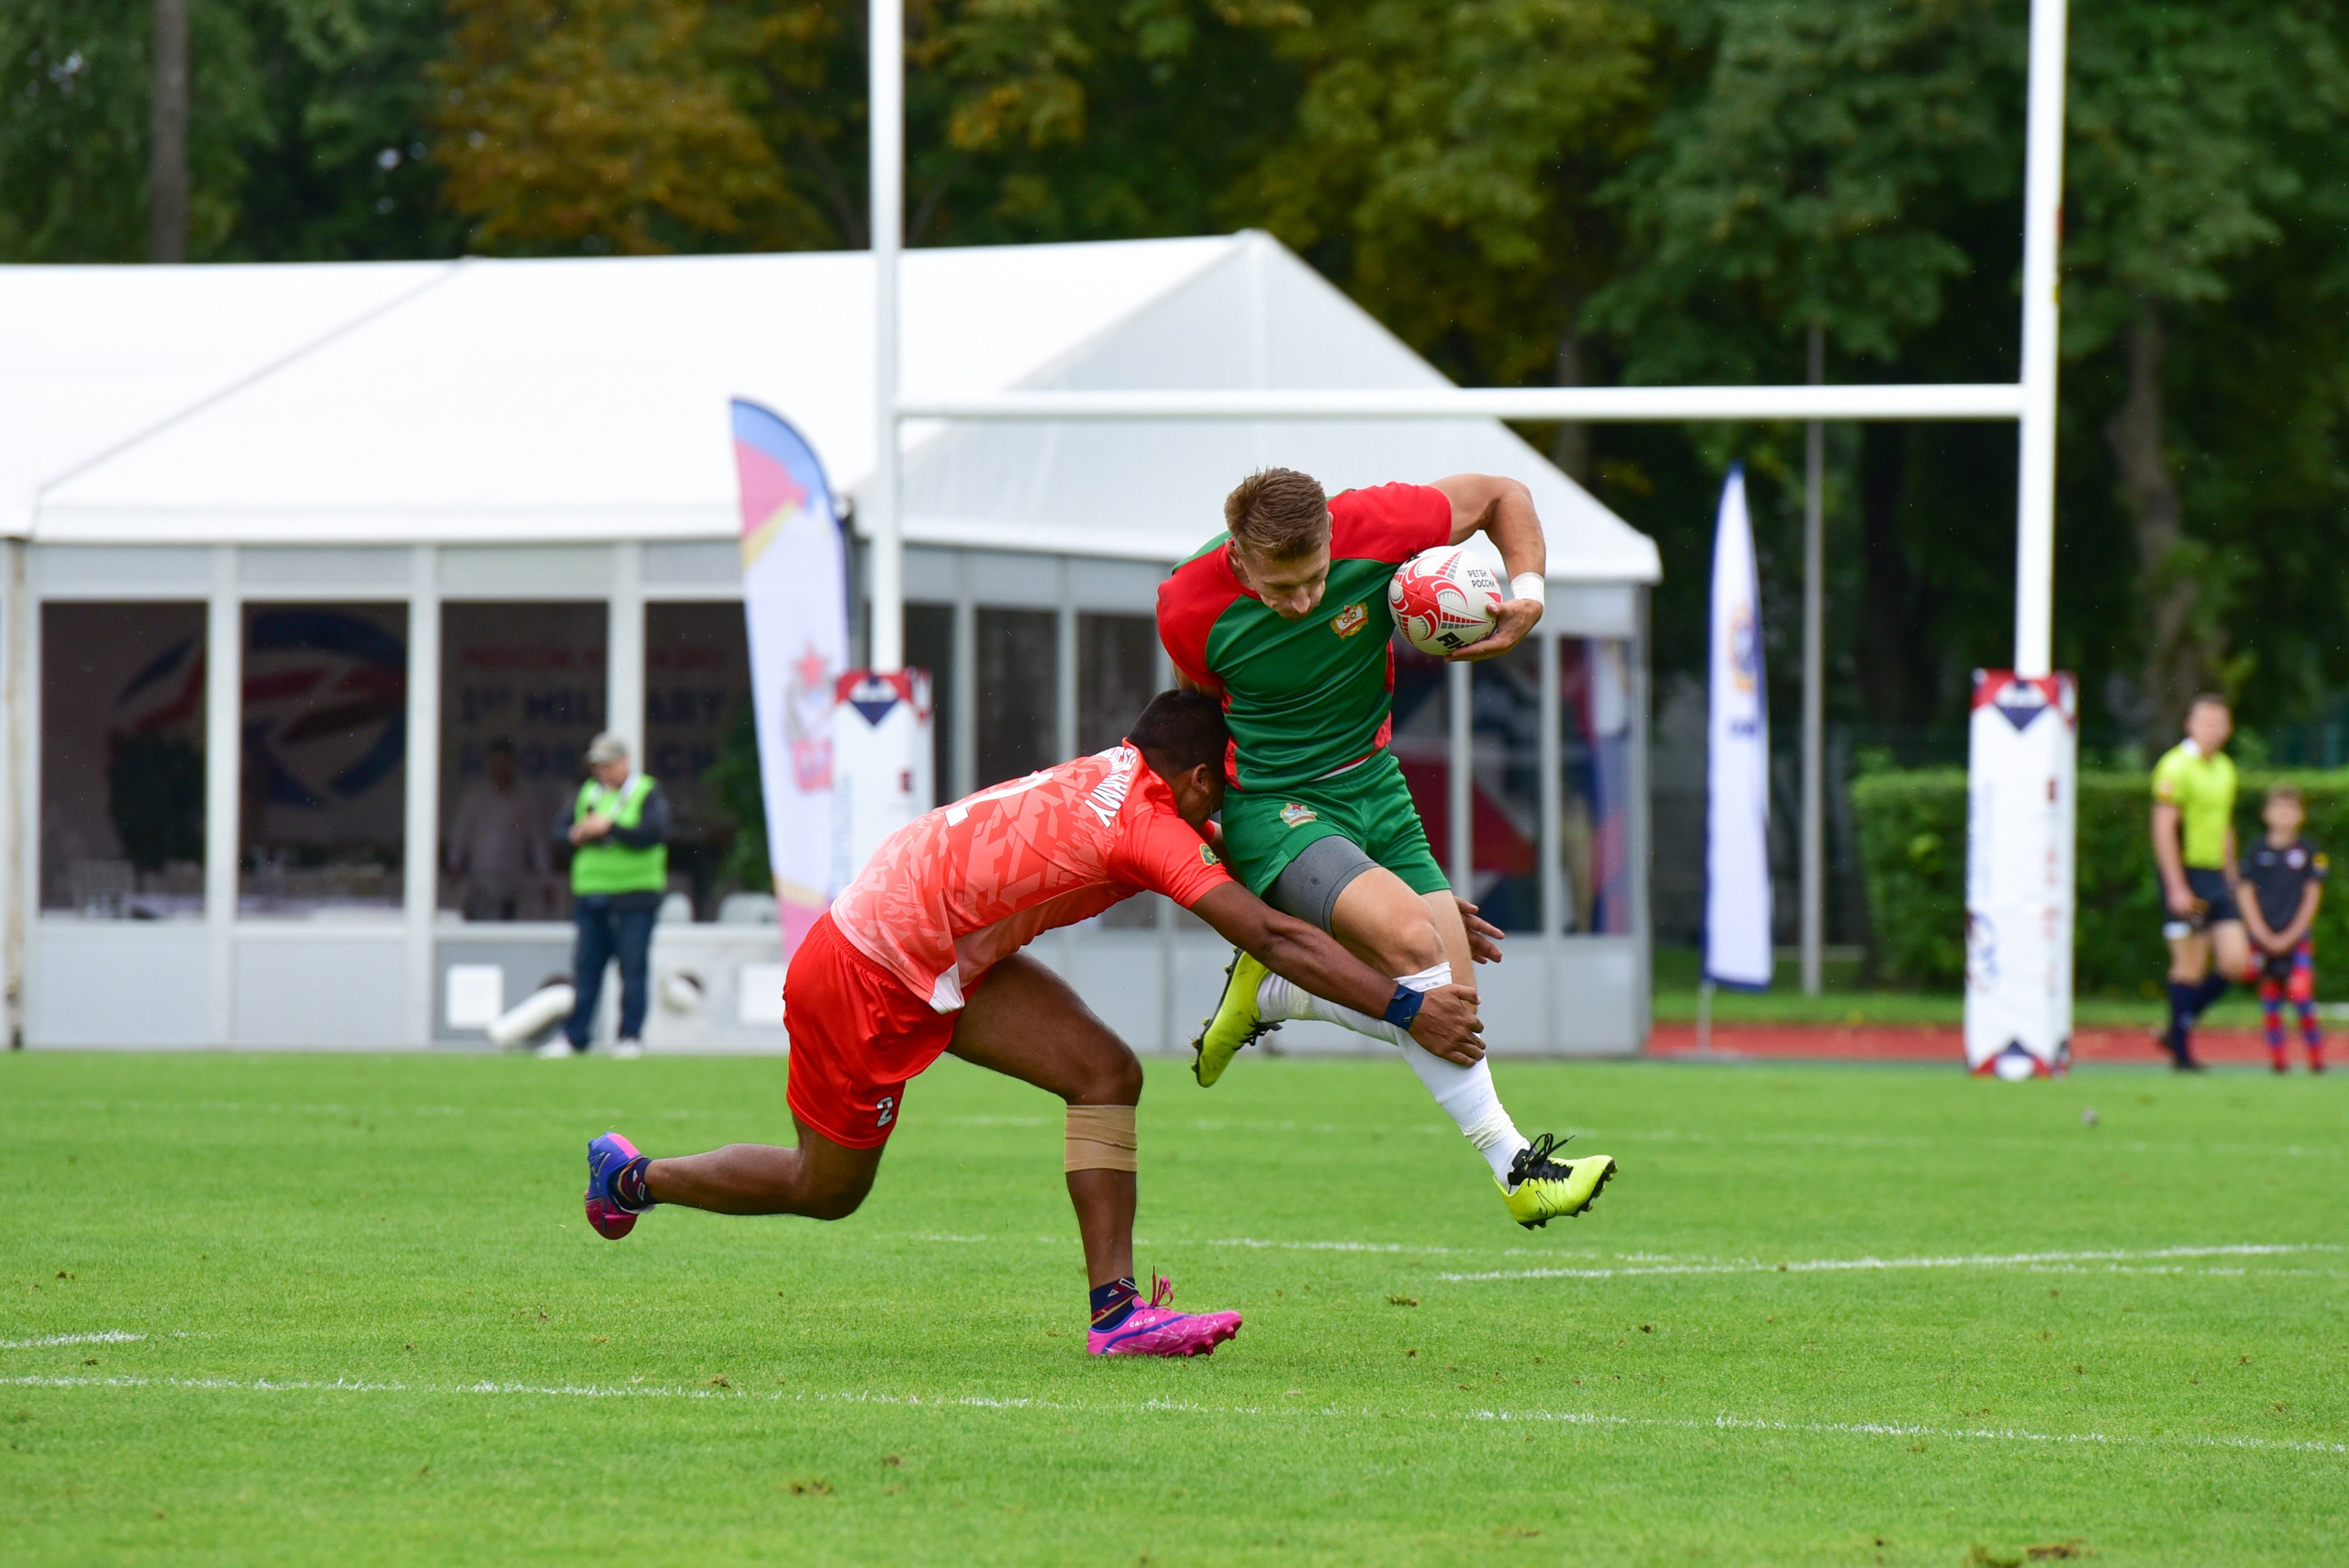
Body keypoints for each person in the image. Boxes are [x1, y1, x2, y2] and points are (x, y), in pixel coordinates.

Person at [580, 692, 1503, 1358]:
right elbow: (1266, 928)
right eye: (1217, 792)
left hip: (936, 944)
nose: (1221, 811)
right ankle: (629, 1176)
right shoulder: (1143, 824)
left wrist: (1406, 903)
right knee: (825, 1188)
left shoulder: (1127, 779)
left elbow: (1271, 869)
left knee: (1104, 1071)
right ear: (1188, 778)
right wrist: (1408, 1004)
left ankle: (1116, 1313)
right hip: (867, 963)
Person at [1158, 466, 1615, 1228]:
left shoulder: (1377, 524)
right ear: (1239, 558)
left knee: (1455, 1005)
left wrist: (1528, 594)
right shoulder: (1188, 604)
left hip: (1378, 788)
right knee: (1413, 947)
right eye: (1282, 587)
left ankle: (1284, 992)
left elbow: (1504, 494)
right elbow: (1201, 726)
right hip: (1278, 805)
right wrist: (1216, 837)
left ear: (1335, 539)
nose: (1303, 600)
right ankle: (1519, 1171)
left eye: (1315, 579)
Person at [550, 732, 671, 1060]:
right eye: (597, 766)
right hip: (592, 896)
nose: (601, 772)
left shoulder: (646, 792)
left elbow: (655, 833)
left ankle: (629, 1036)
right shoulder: (586, 793)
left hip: (635, 896)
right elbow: (558, 834)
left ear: (624, 763)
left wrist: (610, 827)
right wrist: (576, 835)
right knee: (586, 969)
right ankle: (575, 1036)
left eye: (607, 765)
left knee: (632, 969)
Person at [2151, 694, 2246, 1071]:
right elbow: (2163, 827)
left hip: (2214, 875)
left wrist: (2232, 876)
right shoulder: (2175, 766)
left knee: (2236, 962)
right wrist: (2176, 885)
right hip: (2185, 871)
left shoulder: (2225, 769)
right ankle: (2182, 1053)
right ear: (2190, 724)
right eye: (2206, 722)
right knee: (2189, 963)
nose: (2213, 730)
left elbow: (2224, 827)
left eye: (2219, 723)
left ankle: (2175, 1026)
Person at [2238, 784, 2328, 1074]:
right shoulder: (2256, 851)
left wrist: (2292, 934)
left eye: (2290, 809)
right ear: (2266, 814)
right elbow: (2245, 893)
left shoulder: (2309, 851)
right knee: (2271, 1003)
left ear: (2300, 815)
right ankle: (2278, 1060)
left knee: (2302, 998)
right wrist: (2261, 933)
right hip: (2262, 939)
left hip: (2296, 939)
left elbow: (2313, 895)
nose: (2284, 815)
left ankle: (2316, 1057)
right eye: (2277, 809)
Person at [445, 738, 545, 920]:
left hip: (512, 880)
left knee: (507, 930)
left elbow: (537, 840)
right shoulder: (475, 797)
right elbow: (461, 832)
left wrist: (545, 876)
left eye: (506, 765)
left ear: (513, 766)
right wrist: (455, 862)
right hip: (481, 877)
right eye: (496, 765)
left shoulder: (525, 799)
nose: (501, 770)